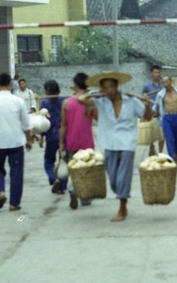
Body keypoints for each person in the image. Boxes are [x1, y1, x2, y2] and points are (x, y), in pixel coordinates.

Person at [79, 71, 152, 222]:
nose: (109, 91)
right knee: (113, 179)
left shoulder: (131, 101)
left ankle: (122, 208)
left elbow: (147, 116)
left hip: (127, 142)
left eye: (111, 87)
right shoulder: (100, 101)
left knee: (123, 176)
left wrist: (147, 103)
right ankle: (121, 195)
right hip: (109, 142)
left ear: (117, 86)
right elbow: (81, 99)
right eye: (105, 88)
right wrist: (94, 94)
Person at [0, 73, 33, 212]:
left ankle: (1, 191)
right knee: (16, 172)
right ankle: (14, 204)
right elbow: (26, 124)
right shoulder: (18, 101)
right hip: (16, 142)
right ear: (11, 85)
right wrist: (28, 140)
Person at [60, 72, 97, 209]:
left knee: (73, 168)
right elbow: (98, 119)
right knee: (86, 169)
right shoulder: (90, 101)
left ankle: (72, 188)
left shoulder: (66, 102)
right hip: (86, 141)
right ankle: (85, 198)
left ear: (74, 85)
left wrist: (60, 144)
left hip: (71, 141)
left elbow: (63, 125)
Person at [40, 80, 68, 196]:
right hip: (64, 135)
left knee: (48, 161)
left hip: (51, 136)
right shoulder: (65, 100)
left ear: (48, 90)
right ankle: (62, 187)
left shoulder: (45, 102)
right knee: (64, 162)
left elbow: (43, 122)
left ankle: (53, 178)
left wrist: (41, 137)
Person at [142, 65, 165, 156]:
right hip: (151, 113)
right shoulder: (147, 86)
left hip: (162, 112)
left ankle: (160, 153)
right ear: (151, 73)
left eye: (158, 72)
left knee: (161, 135)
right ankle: (151, 148)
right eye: (155, 72)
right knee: (151, 135)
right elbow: (143, 99)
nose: (157, 74)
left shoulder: (163, 85)